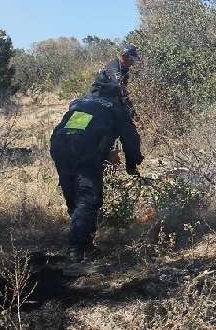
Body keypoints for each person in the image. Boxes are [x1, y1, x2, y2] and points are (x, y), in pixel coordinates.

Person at [49, 87, 144, 265]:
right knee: (88, 197)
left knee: (75, 196)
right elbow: (131, 139)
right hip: (81, 148)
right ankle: (75, 253)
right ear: (118, 97)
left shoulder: (82, 103)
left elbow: (83, 130)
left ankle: (84, 244)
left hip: (60, 145)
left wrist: (104, 153)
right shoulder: (116, 108)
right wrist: (132, 164)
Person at [91, 42, 141, 125]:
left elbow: (122, 94)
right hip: (98, 98)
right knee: (125, 126)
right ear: (124, 56)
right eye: (131, 59)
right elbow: (121, 92)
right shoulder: (114, 67)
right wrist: (134, 116)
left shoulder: (124, 70)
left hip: (107, 99)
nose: (132, 63)